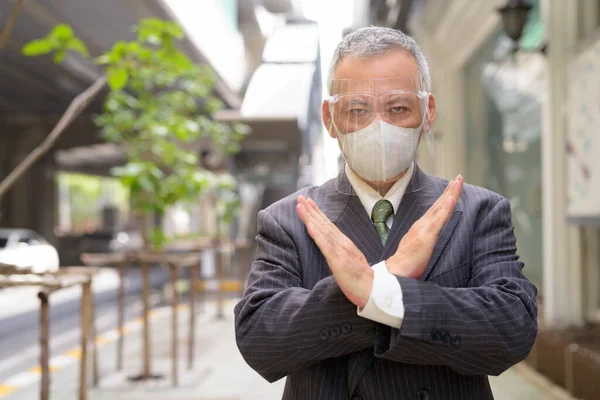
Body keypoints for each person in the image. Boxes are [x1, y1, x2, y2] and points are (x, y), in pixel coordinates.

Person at [234, 26, 538, 400]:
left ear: (427, 112)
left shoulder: (478, 211)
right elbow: (260, 338)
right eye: (357, 110)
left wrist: (375, 291)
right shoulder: (288, 219)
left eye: (398, 108)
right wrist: (386, 280)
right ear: (329, 118)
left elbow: (511, 328)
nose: (378, 126)